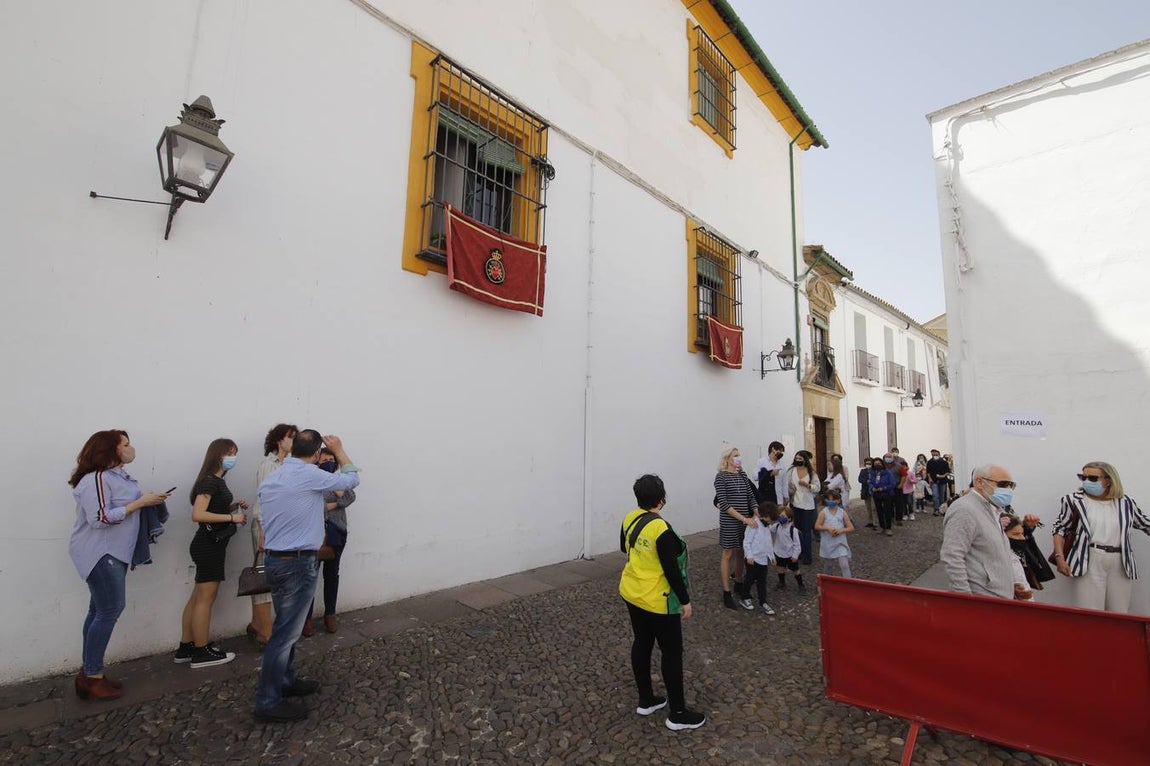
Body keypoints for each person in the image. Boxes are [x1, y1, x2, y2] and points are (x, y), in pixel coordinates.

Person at [253, 430, 361, 723]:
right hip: (297, 563)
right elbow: (352, 479)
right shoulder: (309, 475)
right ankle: (267, 701)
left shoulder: (274, 477)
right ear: (315, 454)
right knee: (284, 635)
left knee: (286, 626)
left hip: (276, 560)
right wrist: (339, 450)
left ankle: (285, 680)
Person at [68, 430, 170, 700]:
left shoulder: (117, 477)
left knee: (98, 610)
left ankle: (89, 673)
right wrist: (139, 503)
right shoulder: (97, 478)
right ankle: (92, 676)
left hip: (115, 552)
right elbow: (100, 518)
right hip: (101, 553)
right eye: (125, 444)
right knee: (109, 609)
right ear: (110, 450)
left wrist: (148, 502)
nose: (130, 448)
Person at [619, 474, 706, 731]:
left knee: (642, 643)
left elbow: (625, 548)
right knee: (671, 653)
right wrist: (685, 600)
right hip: (658, 600)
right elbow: (672, 571)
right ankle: (677, 713)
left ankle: (646, 700)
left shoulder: (629, 518)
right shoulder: (662, 529)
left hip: (632, 592)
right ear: (661, 499)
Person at [176, 439, 247, 669]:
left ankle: (187, 646)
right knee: (205, 598)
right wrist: (232, 518)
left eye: (235, 453)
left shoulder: (216, 481)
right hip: (208, 545)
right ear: (217, 455)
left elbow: (212, 509)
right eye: (230, 453)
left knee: (198, 596)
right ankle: (201, 651)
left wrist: (233, 507)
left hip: (210, 544)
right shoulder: (209, 481)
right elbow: (198, 514)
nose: (233, 458)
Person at [1051, 462, 1150, 613]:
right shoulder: (1073, 500)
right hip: (1089, 558)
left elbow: (1144, 523)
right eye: (1083, 477)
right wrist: (1060, 558)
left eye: (1092, 478)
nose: (1086, 481)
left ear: (1109, 480)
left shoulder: (1126, 502)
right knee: (1089, 612)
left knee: (1119, 612)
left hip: (1120, 561)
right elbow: (1060, 529)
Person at [940, 464, 1026, 600]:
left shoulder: (993, 509)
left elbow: (990, 554)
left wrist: (1010, 586)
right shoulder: (965, 509)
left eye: (1011, 485)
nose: (1008, 490)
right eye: (1003, 484)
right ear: (980, 482)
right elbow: (952, 556)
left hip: (997, 597)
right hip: (981, 600)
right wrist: (965, 599)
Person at [248, 424, 298, 646]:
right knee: (264, 578)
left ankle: (256, 625)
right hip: (267, 527)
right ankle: (266, 633)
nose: (294, 441)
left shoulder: (289, 464)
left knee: (272, 577)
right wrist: (262, 531)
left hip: (280, 527)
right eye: (290, 437)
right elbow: (263, 499)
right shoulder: (269, 465)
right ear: (279, 440)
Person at [714, 447, 759, 610]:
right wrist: (744, 518)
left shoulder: (742, 475)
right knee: (728, 554)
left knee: (741, 552)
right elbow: (724, 504)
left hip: (744, 521)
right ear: (727, 459)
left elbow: (750, 497)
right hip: (730, 521)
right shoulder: (721, 477)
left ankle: (739, 583)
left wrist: (756, 511)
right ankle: (726, 592)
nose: (739, 458)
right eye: (735, 455)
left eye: (739, 455)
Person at [316, 447, 356, 633]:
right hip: (315, 534)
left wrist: (336, 498)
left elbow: (350, 497)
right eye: (324, 460)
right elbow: (313, 507)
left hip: (337, 532)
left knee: (332, 575)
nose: (328, 463)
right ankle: (306, 620)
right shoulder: (313, 480)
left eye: (331, 460)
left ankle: (330, 615)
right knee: (310, 576)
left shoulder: (339, 479)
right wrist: (335, 504)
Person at [737, 501, 777, 614]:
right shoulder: (753, 525)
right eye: (770, 519)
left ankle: (763, 602)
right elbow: (747, 542)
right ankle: (744, 596)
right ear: (765, 515)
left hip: (763, 559)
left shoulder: (767, 526)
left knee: (762, 582)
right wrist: (749, 556)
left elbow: (768, 543)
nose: (771, 522)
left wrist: (772, 556)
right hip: (753, 559)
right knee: (749, 579)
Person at [785, 450, 820, 565]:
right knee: (797, 530)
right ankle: (798, 552)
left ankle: (807, 555)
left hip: (807, 505)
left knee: (806, 530)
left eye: (800, 459)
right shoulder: (791, 471)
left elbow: (817, 487)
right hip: (795, 504)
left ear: (805, 460)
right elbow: (787, 484)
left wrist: (808, 485)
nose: (798, 460)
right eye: (796, 458)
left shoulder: (811, 473)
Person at [815, 489, 855, 578]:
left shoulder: (842, 512)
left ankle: (848, 583)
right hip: (828, 542)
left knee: (844, 565)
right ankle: (826, 581)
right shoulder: (823, 512)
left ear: (839, 500)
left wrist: (841, 530)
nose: (831, 501)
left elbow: (851, 527)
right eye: (829, 499)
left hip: (840, 542)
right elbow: (817, 526)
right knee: (828, 565)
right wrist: (827, 528)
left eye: (833, 499)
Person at [769, 505, 803, 590]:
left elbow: (797, 544)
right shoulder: (777, 526)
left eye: (783, 516)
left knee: (795, 570)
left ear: (789, 518)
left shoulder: (793, 530)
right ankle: (782, 582)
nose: (781, 518)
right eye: (779, 516)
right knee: (780, 568)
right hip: (779, 552)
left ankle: (801, 585)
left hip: (790, 554)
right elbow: (769, 529)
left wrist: (795, 555)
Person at [869, 456, 898, 537]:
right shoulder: (873, 473)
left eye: (879, 463)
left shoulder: (887, 472)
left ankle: (888, 528)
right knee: (879, 511)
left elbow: (893, 483)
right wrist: (872, 488)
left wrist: (884, 488)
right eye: (875, 464)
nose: (877, 465)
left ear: (882, 464)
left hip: (886, 494)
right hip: (876, 494)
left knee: (887, 510)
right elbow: (870, 482)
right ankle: (882, 527)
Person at [926, 449, 950, 516]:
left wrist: (943, 476)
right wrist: (930, 479)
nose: (934, 456)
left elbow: (948, 471)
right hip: (934, 481)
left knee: (941, 496)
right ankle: (936, 510)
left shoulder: (944, 462)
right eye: (933, 455)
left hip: (943, 481)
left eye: (936, 455)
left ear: (939, 454)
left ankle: (941, 509)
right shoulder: (929, 462)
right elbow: (928, 472)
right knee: (935, 495)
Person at [857, 458, 877, 529]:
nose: (868, 465)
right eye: (867, 463)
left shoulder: (875, 471)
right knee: (868, 507)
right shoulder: (863, 471)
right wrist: (866, 481)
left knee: (873, 507)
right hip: (866, 491)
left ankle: (875, 522)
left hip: (873, 491)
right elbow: (860, 479)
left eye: (869, 463)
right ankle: (870, 521)